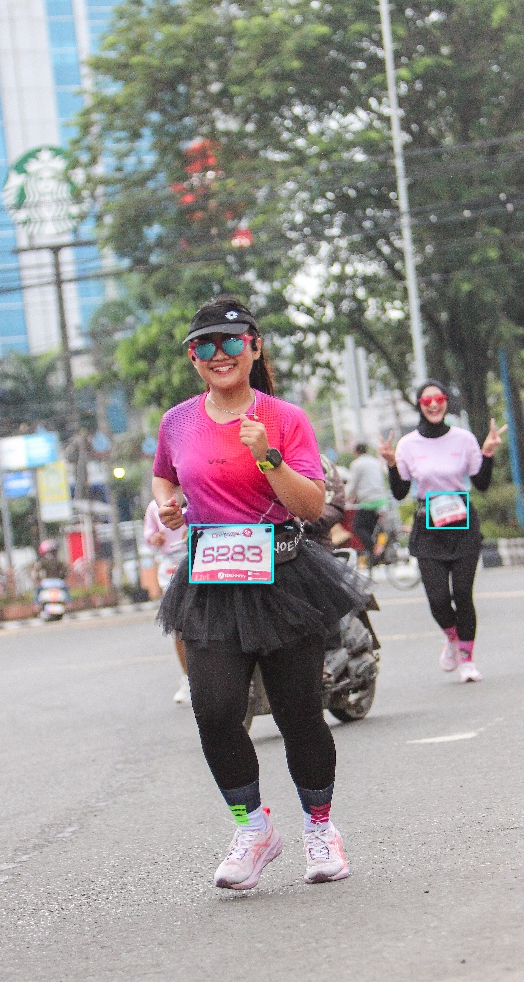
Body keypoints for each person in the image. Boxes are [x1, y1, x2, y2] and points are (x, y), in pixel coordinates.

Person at [152, 294, 368, 890]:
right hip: (212, 580)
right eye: (204, 346)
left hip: (284, 575)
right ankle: (253, 829)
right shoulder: (177, 421)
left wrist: (267, 456)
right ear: (193, 358)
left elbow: (312, 505)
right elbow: (165, 474)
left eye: (230, 342)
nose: (218, 355)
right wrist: (167, 505)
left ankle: (320, 828)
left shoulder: (284, 417)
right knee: (215, 710)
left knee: (299, 713)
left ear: (253, 347)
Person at [378, 380, 506, 683]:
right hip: (429, 527)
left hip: (463, 524)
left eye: (439, 398)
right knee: (437, 598)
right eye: (427, 401)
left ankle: (467, 659)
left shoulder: (464, 439)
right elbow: (400, 492)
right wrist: (392, 465)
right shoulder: (408, 444)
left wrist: (488, 454)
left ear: (446, 401)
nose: (434, 405)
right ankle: (452, 638)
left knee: (462, 593)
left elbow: (482, 483)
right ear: (419, 405)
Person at [143, 499, 191, 704]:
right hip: (171, 563)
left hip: (204, 555)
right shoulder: (155, 506)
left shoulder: (199, 491)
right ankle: (188, 678)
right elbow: (149, 535)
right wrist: (155, 538)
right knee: (178, 625)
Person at [346, 442, 389, 569]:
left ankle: (375, 550)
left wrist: (344, 498)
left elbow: (352, 485)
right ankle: (378, 552)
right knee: (376, 529)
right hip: (382, 500)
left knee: (358, 527)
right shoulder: (375, 461)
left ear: (356, 452)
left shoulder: (357, 464)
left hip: (369, 501)